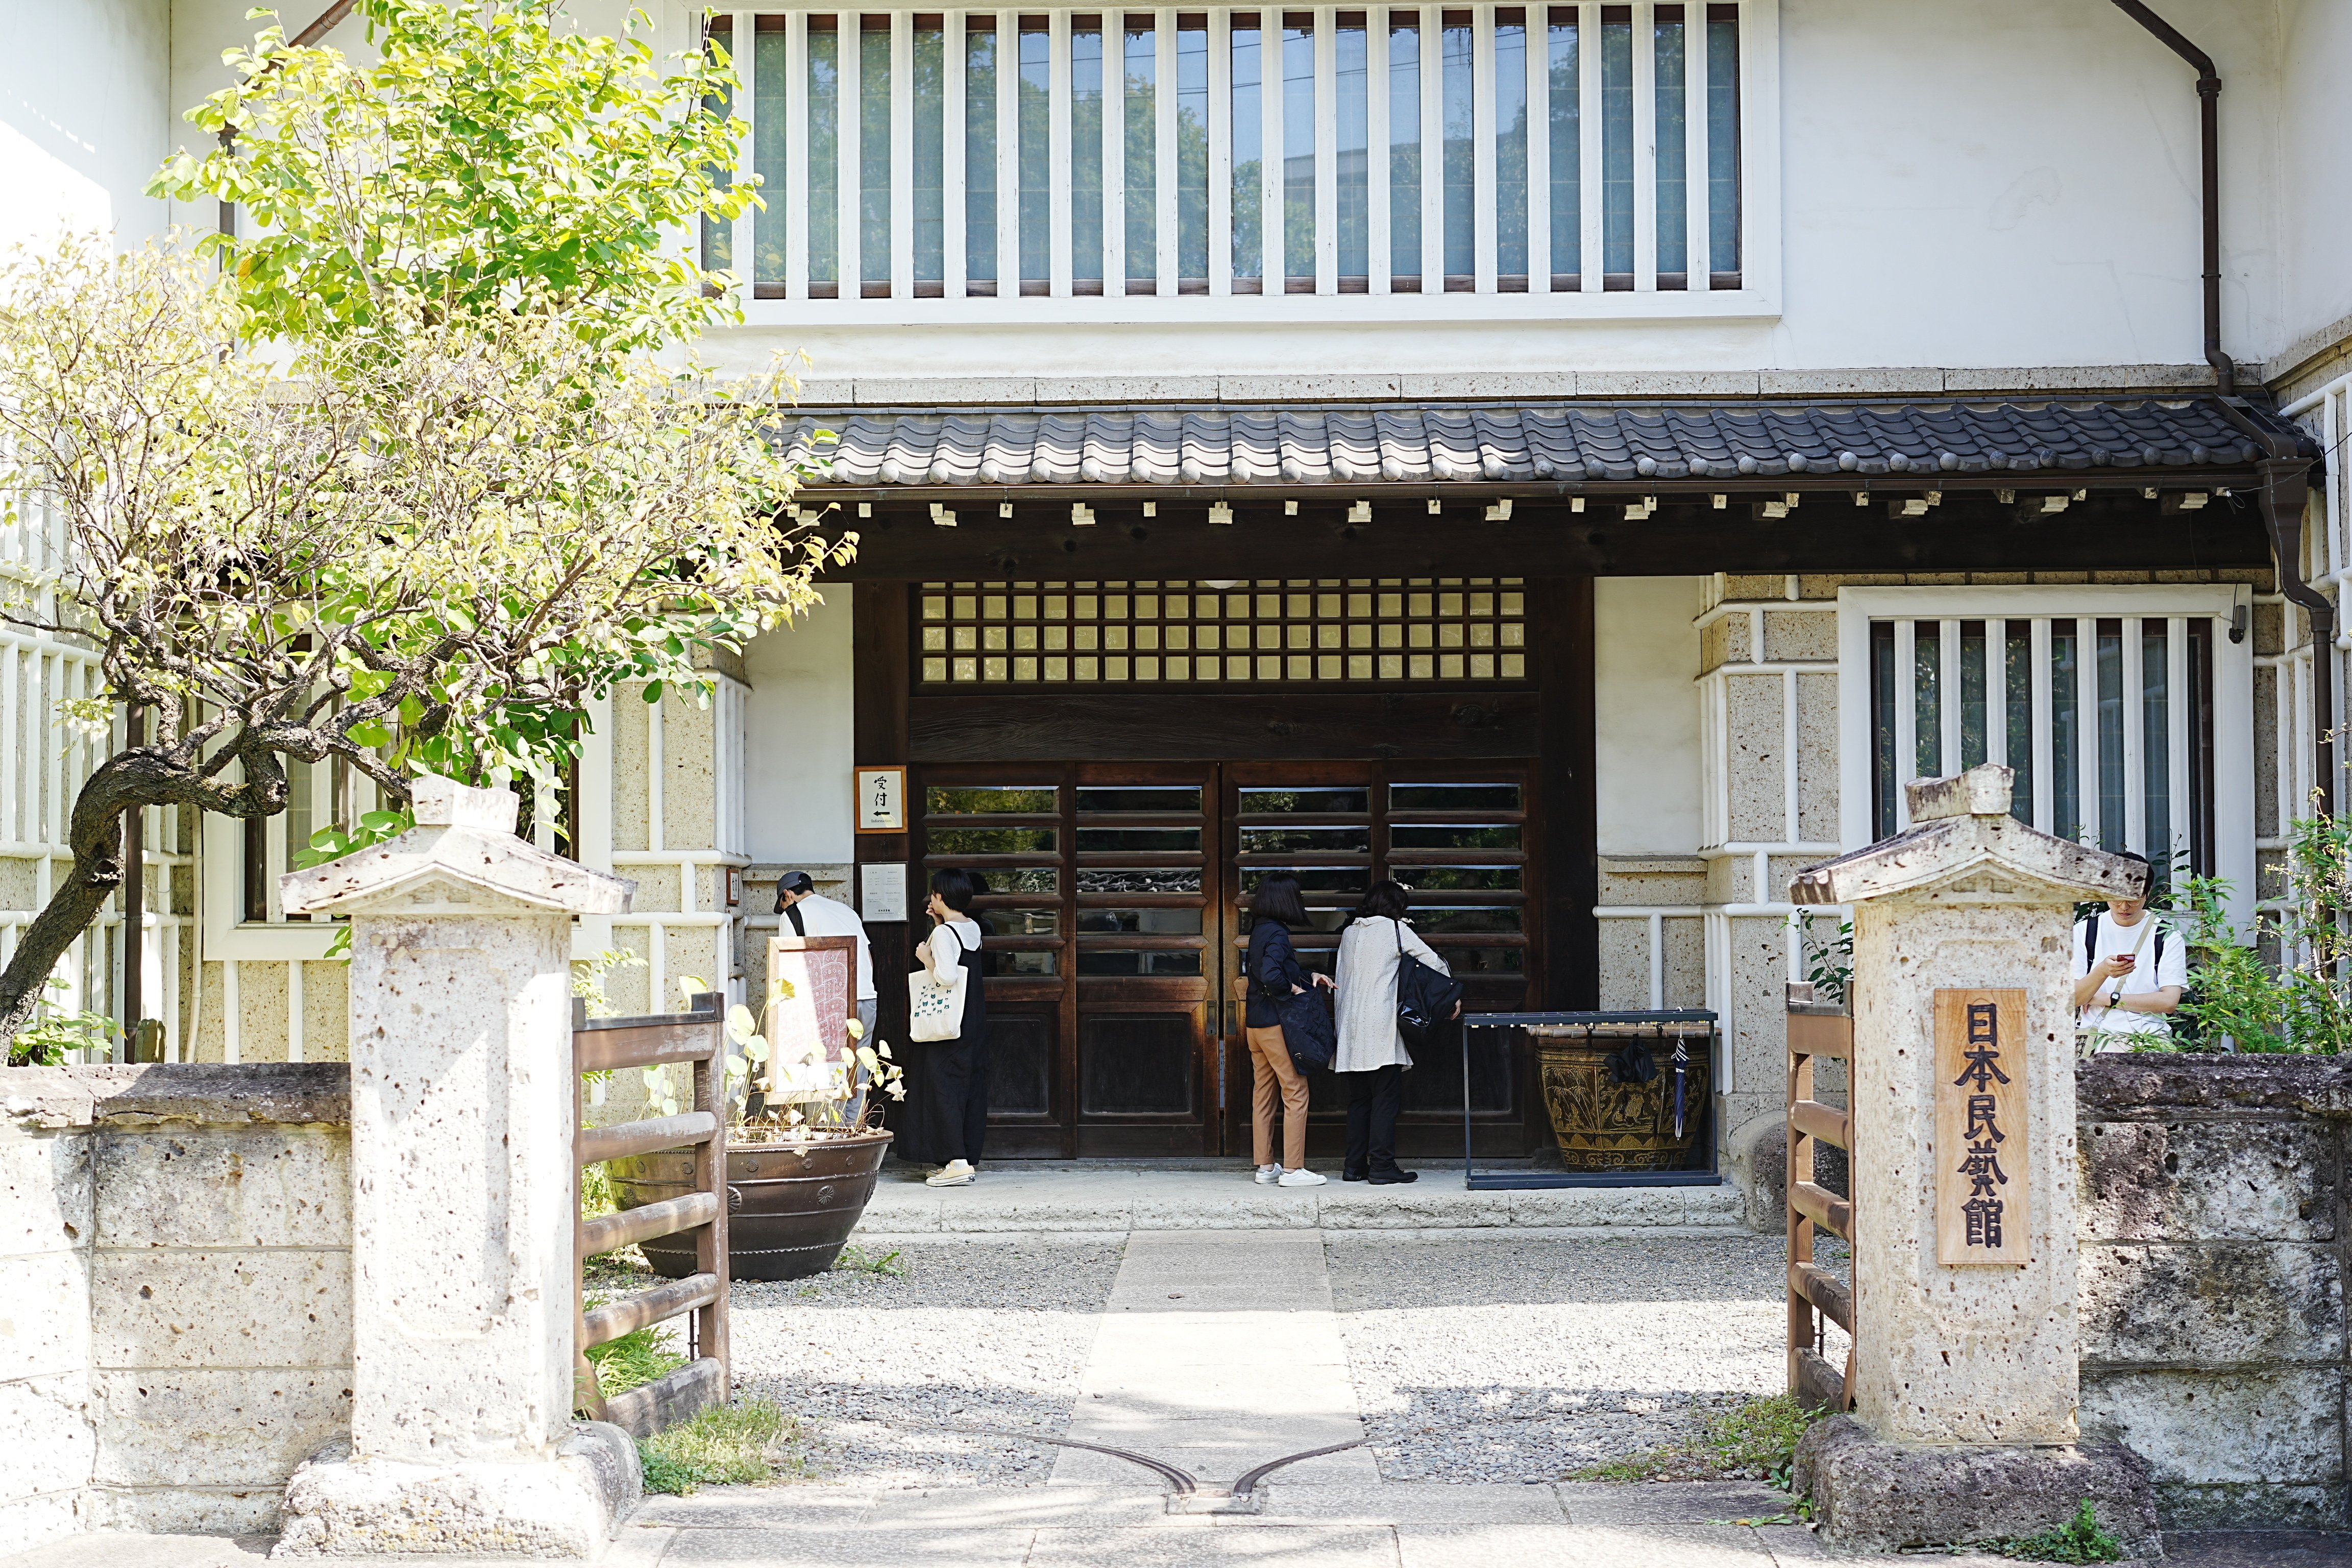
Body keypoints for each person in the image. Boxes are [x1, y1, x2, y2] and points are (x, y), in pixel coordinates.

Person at [1333, 880, 1455, 1185]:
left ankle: (1354, 1166)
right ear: (1396, 907)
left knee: (1359, 1101)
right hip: (1380, 1027)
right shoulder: (1394, 929)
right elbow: (1433, 962)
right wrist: (1451, 995)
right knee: (1385, 1100)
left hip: (1350, 1027)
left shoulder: (1349, 933)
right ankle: (1383, 1168)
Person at [1243, 874, 1334, 1188]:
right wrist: (1292, 990)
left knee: (1263, 1095)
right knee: (1295, 1092)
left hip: (1255, 1026)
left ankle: (1267, 1167)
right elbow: (1272, 975)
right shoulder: (1279, 934)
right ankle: (1294, 1170)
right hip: (1275, 1026)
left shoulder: (1259, 931)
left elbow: (1270, 970)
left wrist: (1310, 976)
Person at [911, 868, 990, 1186]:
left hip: (947, 1022)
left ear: (940, 896)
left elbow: (946, 976)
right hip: (970, 1017)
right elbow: (958, 956)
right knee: (967, 1085)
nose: (931, 899)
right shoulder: (972, 927)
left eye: (934, 894)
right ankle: (965, 1158)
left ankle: (955, 1162)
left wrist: (924, 956)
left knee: (943, 1085)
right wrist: (938, 924)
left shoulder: (944, 934)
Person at [2071, 852, 2186, 1052]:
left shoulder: (2166, 935)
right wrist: (2102, 972)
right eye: (2116, 898)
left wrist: (2104, 998)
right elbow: (2073, 998)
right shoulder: (2084, 932)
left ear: (2147, 893)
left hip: (2149, 1041)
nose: (2124, 907)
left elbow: (2169, 1002)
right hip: (2094, 1041)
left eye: (2133, 899)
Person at [774, 870, 878, 1046]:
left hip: (833, 1003)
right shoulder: (847, 910)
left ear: (787, 894)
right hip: (867, 998)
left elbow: (790, 966)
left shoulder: (792, 914)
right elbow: (868, 956)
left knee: (830, 1068)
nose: (784, 908)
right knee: (858, 1066)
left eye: (783, 904)